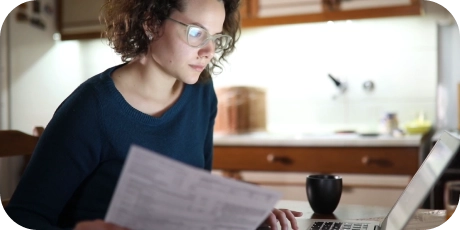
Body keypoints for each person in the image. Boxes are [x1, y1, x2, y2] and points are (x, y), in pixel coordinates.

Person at [4, 0, 303, 229]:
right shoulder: (91, 109)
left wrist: (243, 215)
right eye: (197, 33)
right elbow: (23, 217)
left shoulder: (201, 93)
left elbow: (194, 199)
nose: (209, 50)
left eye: (215, 36)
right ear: (151, 24)